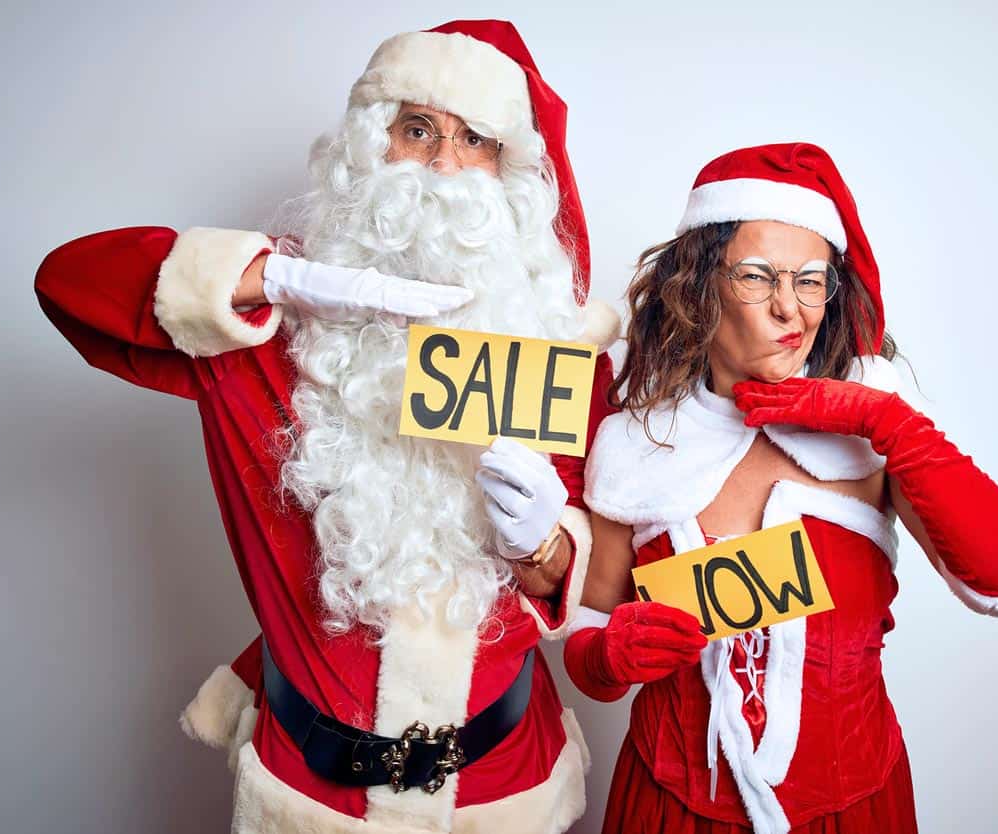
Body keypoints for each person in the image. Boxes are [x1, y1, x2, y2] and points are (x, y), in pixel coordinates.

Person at [36, 19, 619, 834]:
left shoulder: (560, 344)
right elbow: (67, 285)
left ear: (512, 171)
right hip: (313, 801)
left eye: (475, 140)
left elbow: (611, 567)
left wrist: (547, 549)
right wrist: (276, 278)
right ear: (369, 147)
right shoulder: (263, 328)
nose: (445, 164)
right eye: (417, 130)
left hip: (503, 791)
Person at [564, 143, 998, 834]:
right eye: (758, 278)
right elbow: (589, 629)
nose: (791, 309)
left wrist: (887, 422)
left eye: (812, 281)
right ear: (699, 286)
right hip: (669, 809)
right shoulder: (638, 442)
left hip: (854, 809)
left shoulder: (874, 420)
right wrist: (607, 654)